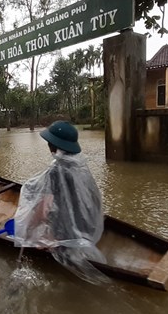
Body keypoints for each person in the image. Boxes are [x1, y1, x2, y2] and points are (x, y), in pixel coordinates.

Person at [13, 121, 109, 284]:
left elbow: (44, 209)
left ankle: (57, 244)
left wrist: (28, 231)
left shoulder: (55, 171)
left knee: (38, 231)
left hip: (67, 234)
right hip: (89, 226)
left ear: (52, 146)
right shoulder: (81, 165)